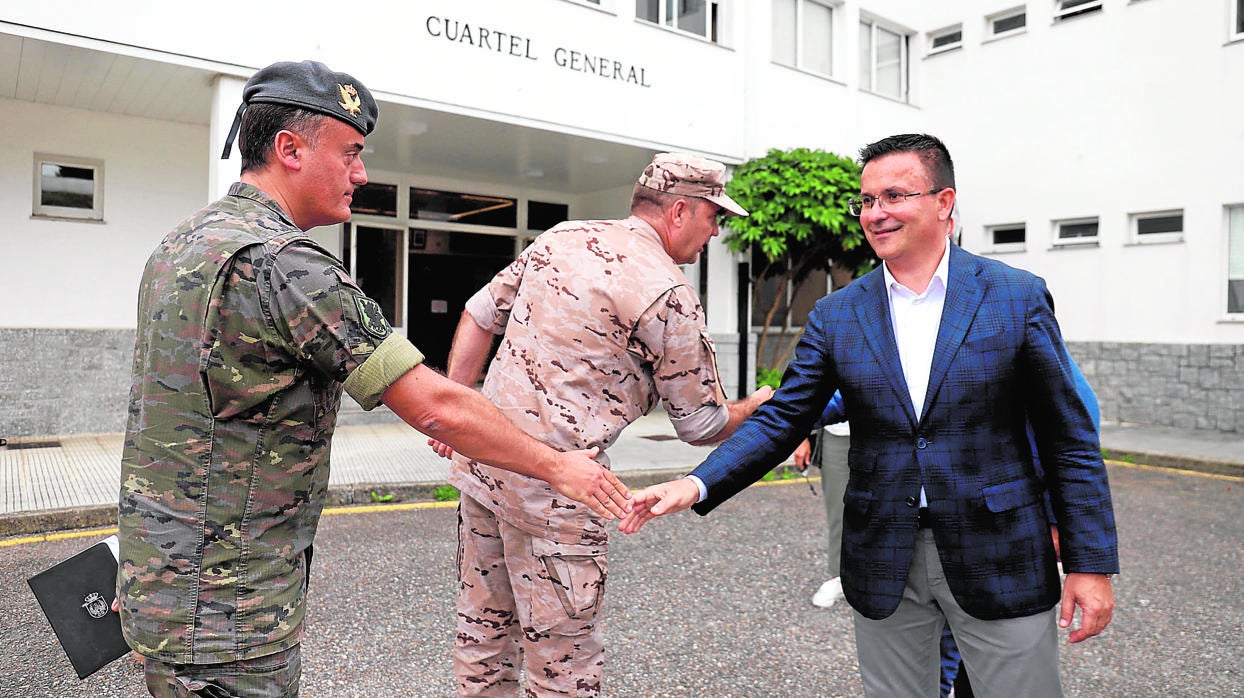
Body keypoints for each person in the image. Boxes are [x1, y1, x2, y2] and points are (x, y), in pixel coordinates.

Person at [116, 60, 631, 698]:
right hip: (231, 611)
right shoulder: (287, 266)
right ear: (289, 149)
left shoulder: (183, 243)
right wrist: (558, 466)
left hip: (160, 584)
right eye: (352, 153)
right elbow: (435, 406)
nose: (362, 174)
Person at [621, 133, 1119, 697]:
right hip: (884, 555)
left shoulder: (1015, 296)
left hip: (999, 550)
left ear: (944, 202)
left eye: (894, 196)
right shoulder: (838, 314)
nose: (875, 214)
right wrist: (695, 484)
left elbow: (1069, 439)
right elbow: (785, 417)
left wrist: (1090, 562)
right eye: (866, 201)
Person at [433, 153, 773, 697]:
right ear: (680, 210)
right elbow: (702, 424)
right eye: (714, 216)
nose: (715, 231)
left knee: (483, 642)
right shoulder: (668, 293)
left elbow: (478, 315)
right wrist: (758, 406)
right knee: (562, 671)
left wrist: (456, 409)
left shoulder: (563, 237)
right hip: (559, 496)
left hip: (485, 469)